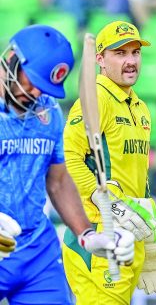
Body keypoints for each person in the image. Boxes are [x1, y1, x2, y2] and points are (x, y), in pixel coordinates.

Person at [0, 24, 135, 304]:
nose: (36, 94)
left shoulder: (48, 110)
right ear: (12, 59)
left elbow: (58, 181)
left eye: (42, 87)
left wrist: (86, 234)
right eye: (31, 82)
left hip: (36, 253)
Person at [62, 20, 156, 304]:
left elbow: (140, 178)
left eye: (135, 52)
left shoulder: (140, 107)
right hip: (100, 233)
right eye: (120, 53)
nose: (131, 61)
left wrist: (149, 240)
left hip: (130, 235)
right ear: (100, 60)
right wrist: (108, 204)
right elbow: (68, 159)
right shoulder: (97, 98)